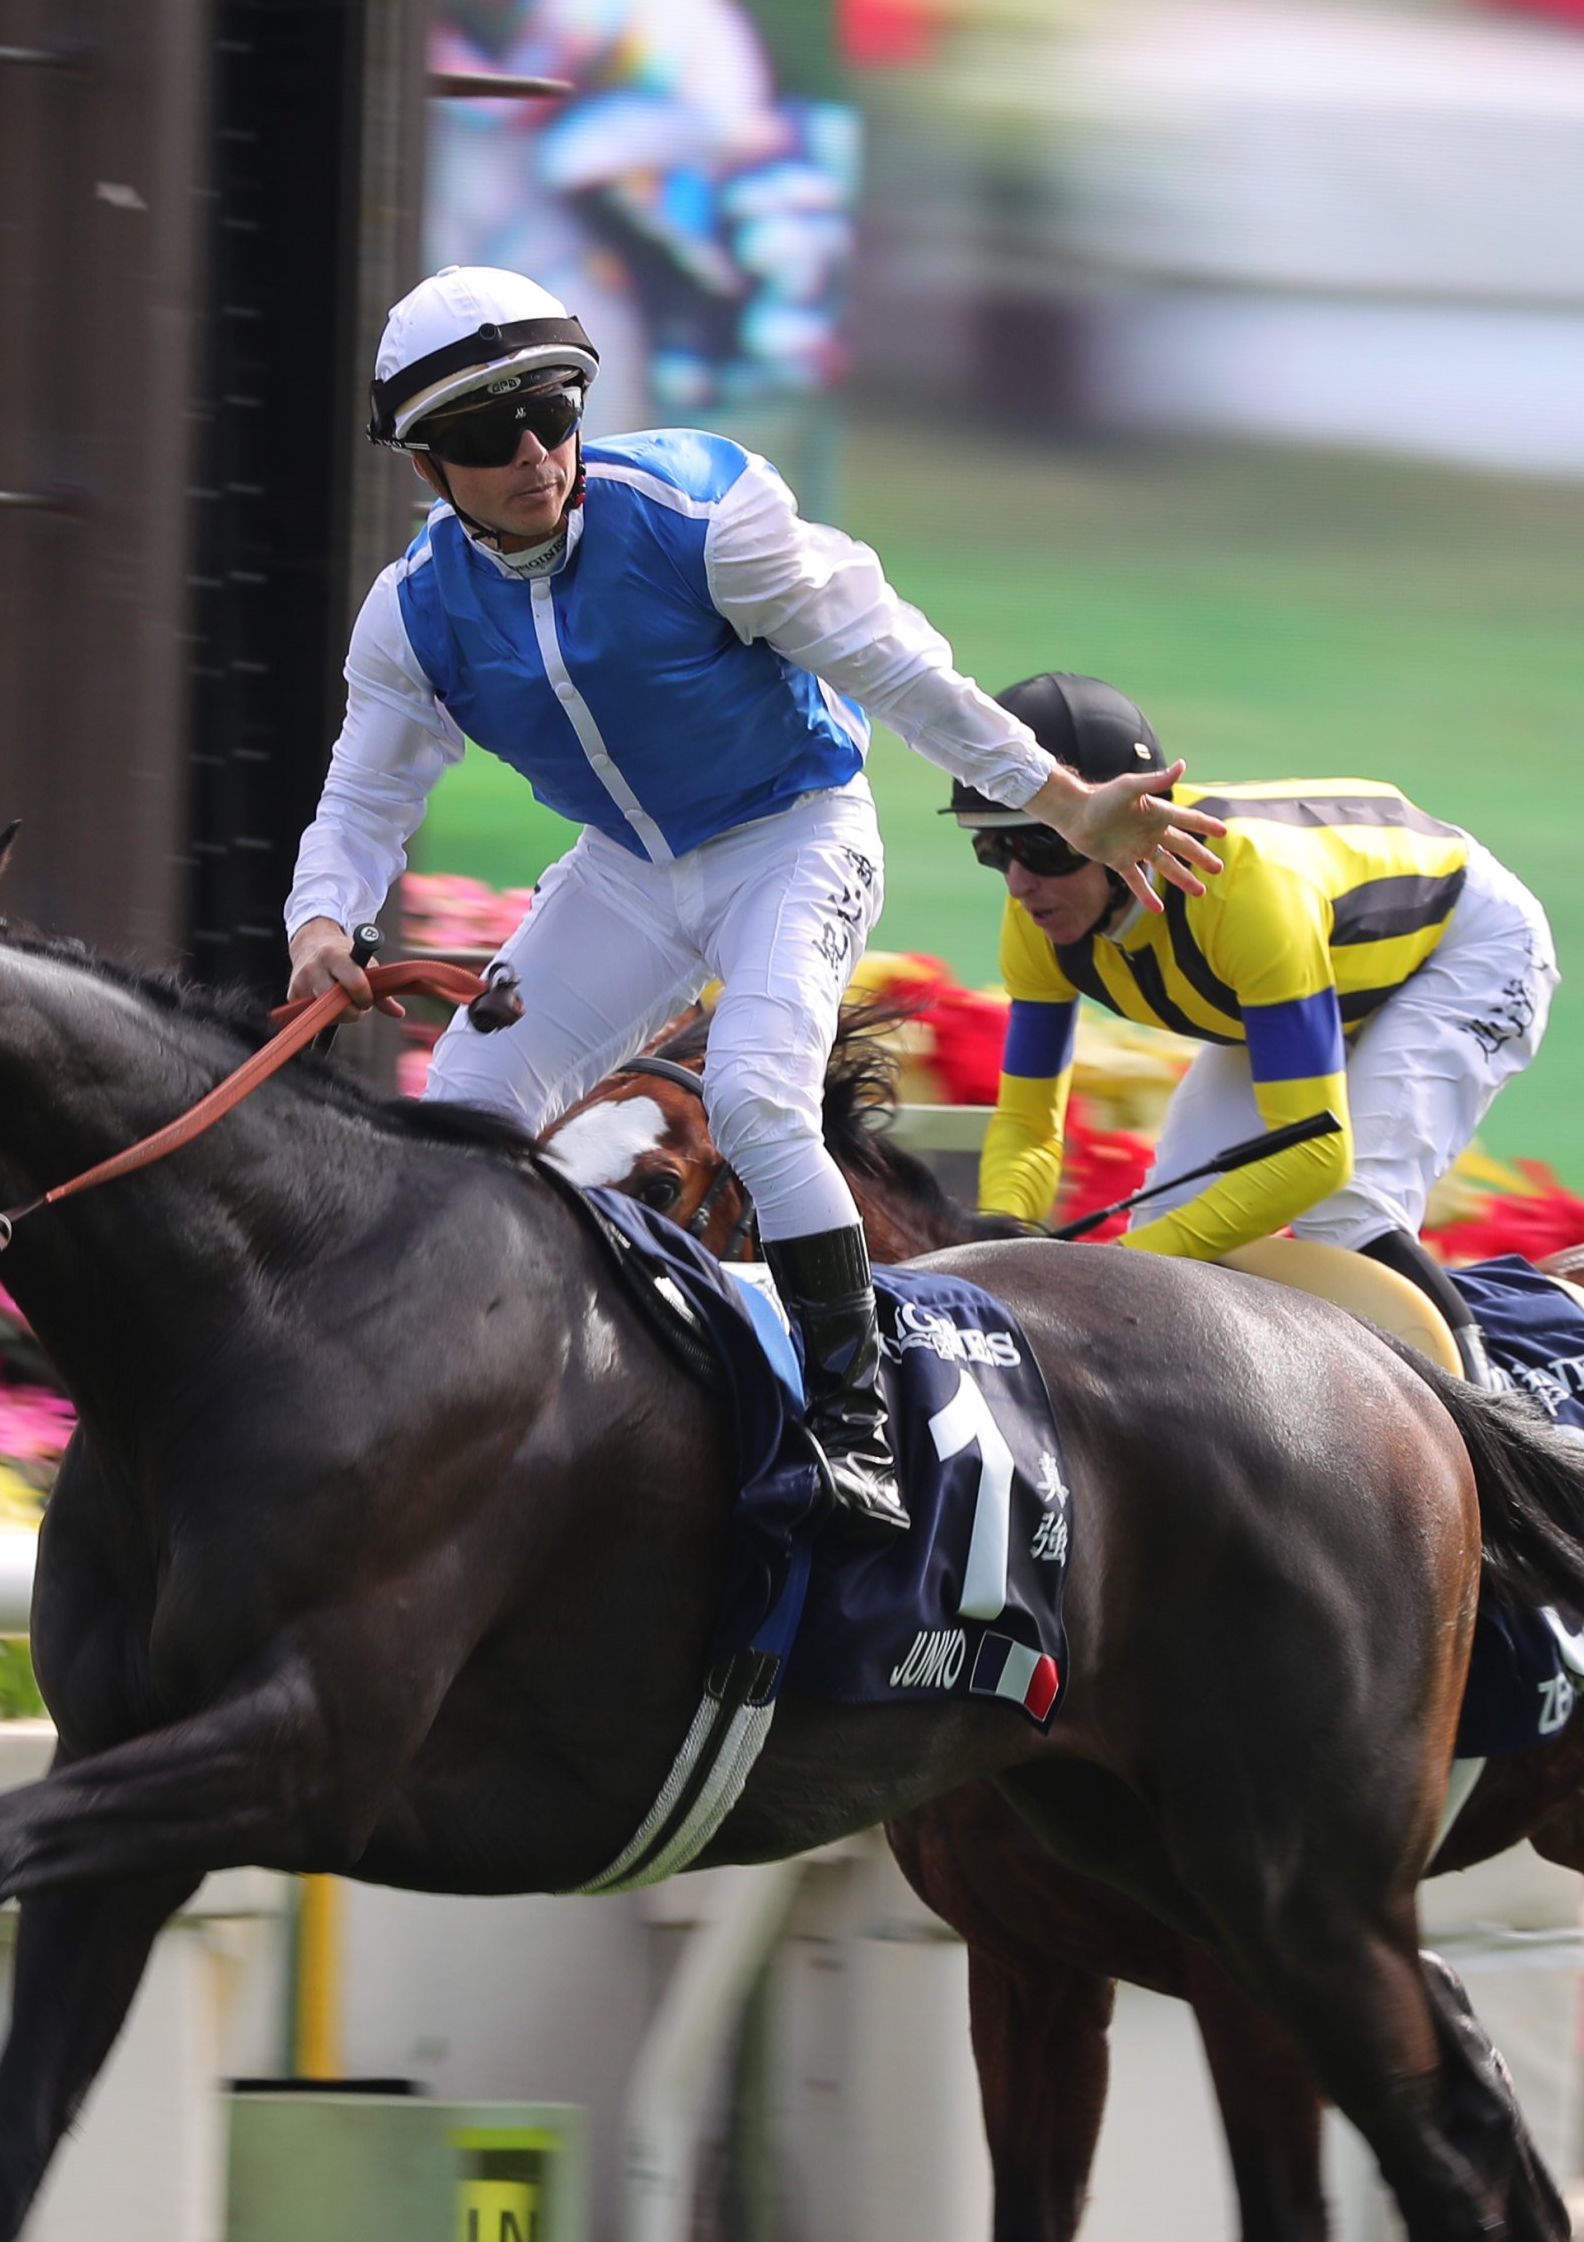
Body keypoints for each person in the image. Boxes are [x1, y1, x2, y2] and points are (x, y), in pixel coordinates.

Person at [281, 268, 1212, 1537]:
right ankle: (469, 1389)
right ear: (426, 467)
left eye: (555, 412)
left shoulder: (705, 511)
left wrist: (1060, 801)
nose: (538, 457)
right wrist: (323, 921)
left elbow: (897, 667)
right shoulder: (413, 615)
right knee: (464, 1113)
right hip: (623, 869)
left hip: (795, 835)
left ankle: (860, 1422)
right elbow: (363, 794)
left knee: (761, 1101)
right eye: (487, 440)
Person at [953, 672, 1561, 1380]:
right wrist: (1002, 1245)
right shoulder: (1037, 925)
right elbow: (1028, 1127)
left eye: (1046, 848)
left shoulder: (1240, 896)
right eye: (995, 850)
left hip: (1463, 947)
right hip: (1311, 966)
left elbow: (1315, 1154)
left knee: (1347, 1208)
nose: (1021, 884)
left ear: (1137, 822)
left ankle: (1496, 1420)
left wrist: (1115, 1271)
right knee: (1175, 1220)